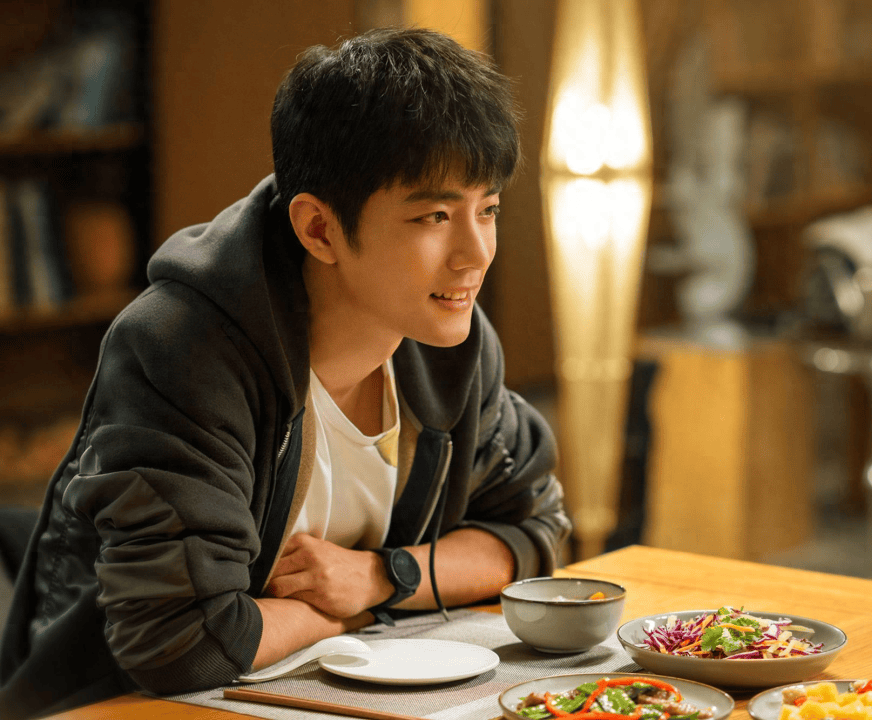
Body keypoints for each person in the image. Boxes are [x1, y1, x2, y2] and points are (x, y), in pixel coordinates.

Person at [0, 27, 570, 719]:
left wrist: (377, 578)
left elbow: (533, 529)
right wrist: (351, 614)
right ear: (319, 229)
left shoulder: (446, 338)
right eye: (435, 216)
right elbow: (181, 645)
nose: (475, 254)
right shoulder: (183, 351)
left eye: (488, 210)